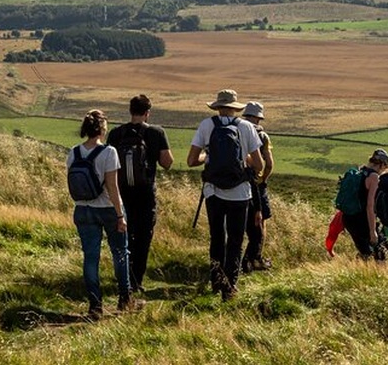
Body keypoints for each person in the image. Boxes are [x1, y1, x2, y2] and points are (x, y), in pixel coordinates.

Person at [187, 89, 264, 300]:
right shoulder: (246, 127)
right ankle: (230, 286)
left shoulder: (206, 125)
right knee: (236, 240)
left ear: (217, 107)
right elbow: (259, 164)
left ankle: (216, 279)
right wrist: (245, 162)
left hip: (213, 191)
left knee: (217, 237)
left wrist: (208, 156)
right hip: (240, 193)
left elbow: (191, 160)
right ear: (235, 107)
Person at [67, 109, 143, 320]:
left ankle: (95, 305)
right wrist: (120, 216)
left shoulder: (73, 152)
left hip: (82, 209)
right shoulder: (109, 152)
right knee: (120, 253)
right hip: (108, 209)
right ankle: (125, 299)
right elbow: (113, 187)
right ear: (101, 129)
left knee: (90, 257)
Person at [106, 94, 174, 294]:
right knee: (144, 237)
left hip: (122, 193)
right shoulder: (156, 132)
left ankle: (123, 276)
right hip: (145, 193)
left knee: (124, 235)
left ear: (130, 111)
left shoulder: (116, 134)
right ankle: (136, 280)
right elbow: (167, 163)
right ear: (147, 113)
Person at [240, 101, 275, 273]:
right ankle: (255, 258)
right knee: (261, 223)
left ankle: (236, 258)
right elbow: (269, 163)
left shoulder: (236, 130)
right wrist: (263, 180)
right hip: (256, 185)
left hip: (237, 184)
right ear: (258, 118)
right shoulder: (262, 136)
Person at [341, 148, 388, 259]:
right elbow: (370, 206)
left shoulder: (360, 171)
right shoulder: (374, 177)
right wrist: (373, 231)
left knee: (365, 252)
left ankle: (358, 272)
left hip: (348, 218)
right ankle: (376, 275)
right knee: (381, 252)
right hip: (362, 220)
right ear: (382, 165)